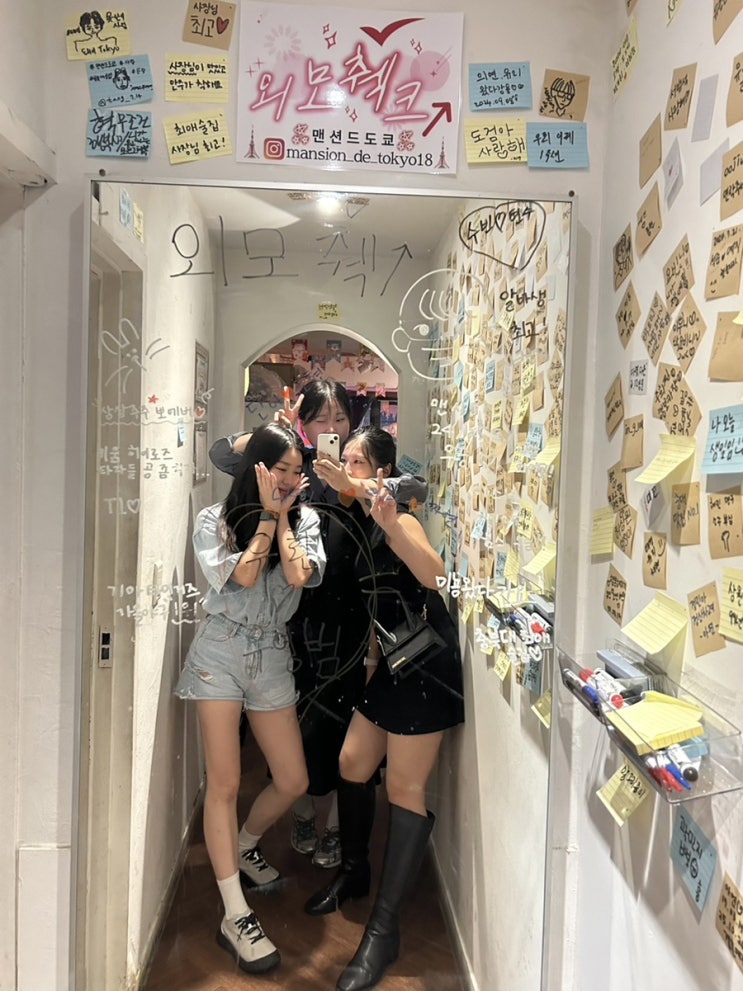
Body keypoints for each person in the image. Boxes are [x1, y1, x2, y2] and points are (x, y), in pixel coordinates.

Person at [209, 379, 427, 871]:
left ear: (353, 421)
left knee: (342, 727)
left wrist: (355, 483)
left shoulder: (361, 467)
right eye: (320, 419)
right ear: (305, 424)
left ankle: (334, 827)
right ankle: (304, 813)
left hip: (351, 622)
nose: (332, 428)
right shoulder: (296, 467)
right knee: (295, 724)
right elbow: (221, 454)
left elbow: (416, 488)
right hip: (296, 619)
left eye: (340, 418)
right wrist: (272, 434)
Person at [305, 426, 464, 991]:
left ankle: (384, 930)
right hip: (394, 664)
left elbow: (435, 575)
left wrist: (392, 520)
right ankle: (355, 872)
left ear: (380, 473)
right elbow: (375, 606)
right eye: (341, 457)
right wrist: (372, 664)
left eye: (354, 460)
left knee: (404, 787)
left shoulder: (399, 517)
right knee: (352, 762)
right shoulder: (355, 524)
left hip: (428, 664)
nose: (342, 466)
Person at [175, 424, 326, 974]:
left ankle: (243, 845)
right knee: (225, 783)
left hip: (272, 654)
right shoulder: (213, 521)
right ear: (254, 469)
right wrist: (266, 515)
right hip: (220, 653)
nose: (288, 479)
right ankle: (234, 913)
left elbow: (299, 575)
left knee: (293, 779)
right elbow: (241, 576)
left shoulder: (306, 521)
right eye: (278, 469)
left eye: (295, 471)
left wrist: (283, 517)